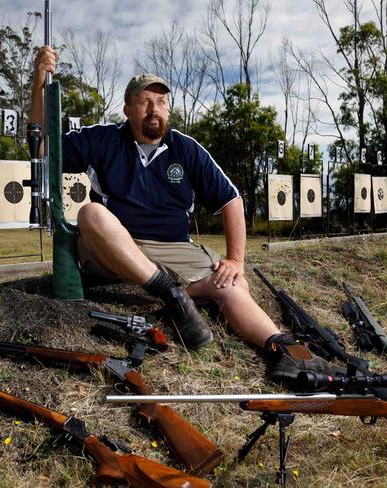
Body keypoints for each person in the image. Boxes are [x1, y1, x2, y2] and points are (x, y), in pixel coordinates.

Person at [29, 46, 341, 387]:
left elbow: (231, 200)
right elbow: (42, 147)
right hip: (115, 247)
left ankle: (287, 352)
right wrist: (38, 81)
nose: (154, 109)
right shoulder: (103, 138)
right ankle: (170, 291)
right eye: (145, 101)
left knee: (233, 283)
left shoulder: (186, 148)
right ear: (127, 109)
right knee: (91, 213)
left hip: (173, 246)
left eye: (161, 102)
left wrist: (236, 259)